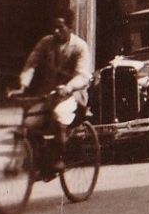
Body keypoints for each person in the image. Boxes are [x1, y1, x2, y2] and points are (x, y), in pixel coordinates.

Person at [17, 13, 93, 167]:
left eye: (60, 28)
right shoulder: (46, 42)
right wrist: (23, 85)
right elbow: (31, 63)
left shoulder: (80, 47)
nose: (56, 31)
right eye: (54, 28)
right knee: (30, 121)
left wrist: (68, 87)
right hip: (52, 94)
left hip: (74, 94)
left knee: (59, 113)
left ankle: (59, 158)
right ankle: (37, 158)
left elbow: (83, 75)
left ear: (70, 28)